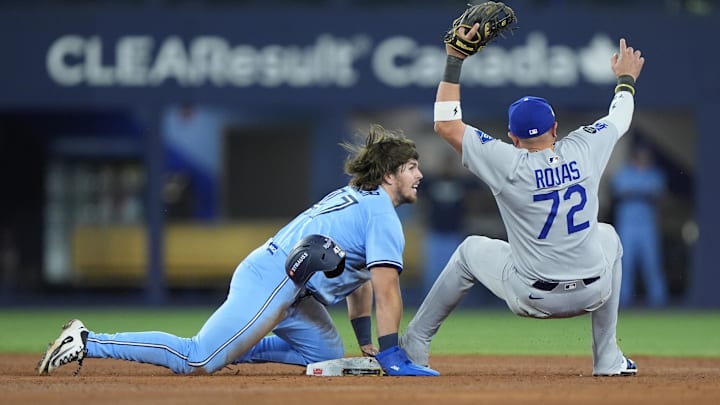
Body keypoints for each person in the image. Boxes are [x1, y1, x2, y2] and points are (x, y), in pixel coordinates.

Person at [37, 124, 439, 377]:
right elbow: (388, 290)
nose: (419, 174)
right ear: (389, 174)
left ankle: (235, 343)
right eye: (410, 167)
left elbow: (362, 280)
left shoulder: (359, 197)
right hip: (274, 277)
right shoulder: (383, 216)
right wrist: (390, 354)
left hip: (290, 285)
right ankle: (88, 340)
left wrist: (364, 339)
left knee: (325, 352)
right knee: (196, 359)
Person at [399, 18, 646, 377]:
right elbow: (620, 115)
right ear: (555, 129)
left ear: (513, 138)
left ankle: (416, 344)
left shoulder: (507, 162)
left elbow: (446, 125)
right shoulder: (585, 146)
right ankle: (607, 358)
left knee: (469, 250)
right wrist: (626, 80)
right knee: (607, 234)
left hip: (533, 295)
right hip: (594, 291)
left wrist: (454, 60)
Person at [611, 144, 668, 307]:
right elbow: (619, 190)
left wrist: (636, 192)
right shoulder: (624, 172)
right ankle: (622, 302)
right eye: (640, 156)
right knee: (624, 265)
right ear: (634, 157)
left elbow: (656, 191)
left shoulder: (655, 173)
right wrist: (642, 193)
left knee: (651, 264)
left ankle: (659, 301)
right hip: (627, 225)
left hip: (647, 226)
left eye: (646, 157)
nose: (643, 159)